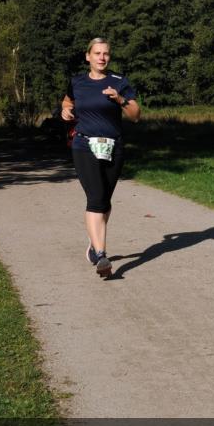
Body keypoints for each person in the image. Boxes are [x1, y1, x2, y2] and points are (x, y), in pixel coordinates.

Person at [61, 37, 140, 278]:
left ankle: (93, 242)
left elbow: (135, 114)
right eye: (97, 53)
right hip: (84, 145)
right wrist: (65, 109)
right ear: (88, 56)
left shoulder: (119, 81)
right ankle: (101, 255)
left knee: (104, 200)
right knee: (95, 198)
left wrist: (120, 99)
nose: (102, 58)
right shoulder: (77, 82)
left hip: (113, 147)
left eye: (106, 53)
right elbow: (67, 101)